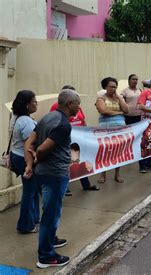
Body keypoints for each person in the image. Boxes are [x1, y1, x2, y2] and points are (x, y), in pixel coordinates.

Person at [24, 89, 81, 268]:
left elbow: (29, 143)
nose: (79, 107)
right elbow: (40, 149)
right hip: (54, 175)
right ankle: (47, 256)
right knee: (51, 214)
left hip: (43, 173)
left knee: (48, 210)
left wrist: (30, 165)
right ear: (70, 104)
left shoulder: (47, 117)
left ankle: (51, 240)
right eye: (77, 103)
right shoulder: (63, 125)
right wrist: (37, 158)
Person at [50, 85, 99, 194]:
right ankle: (65, 186)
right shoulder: (55, 107)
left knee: (81, 160)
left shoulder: (78, 107)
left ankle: (86, 184)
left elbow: (83, 120)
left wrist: (87, 133)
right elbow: (54, 122)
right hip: (67, 139)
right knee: (68, 161)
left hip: (80, 139)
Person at [9, 90, 40, 234]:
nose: (36, 104)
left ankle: (33, 218)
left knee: (31, 190)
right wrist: (30, 164)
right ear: (27, 105)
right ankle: (25, 225)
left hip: (17, 155)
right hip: (25, 158)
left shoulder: (16, 118)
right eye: (34, 101)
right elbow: (30, 145)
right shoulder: (26, 121)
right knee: (29, 191)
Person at [95, 77, 129, 183]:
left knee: (118, 151)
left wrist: (119, 97)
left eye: (115, 87)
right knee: (105, 150)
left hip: (119, 129)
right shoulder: (101, 99)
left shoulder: (118, 98)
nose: (113, 89)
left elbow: (126, 110)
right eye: (111, 86)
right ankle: (103, 174)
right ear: (105, 87)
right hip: (105, 129)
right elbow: (103, 111)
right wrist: (119, 113)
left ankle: (117, 174)